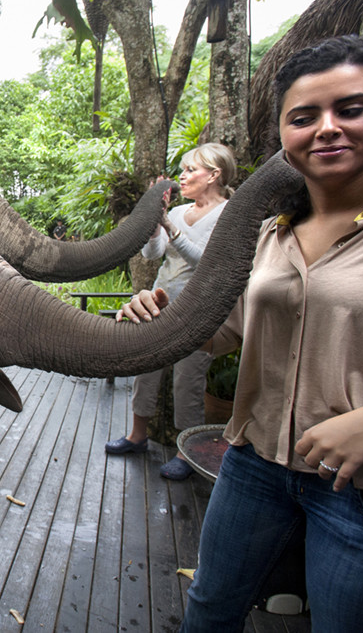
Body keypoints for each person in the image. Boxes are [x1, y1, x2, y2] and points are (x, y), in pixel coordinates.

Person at [121, 35, 363, 632]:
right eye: (304, 118)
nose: (327, 128)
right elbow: (225, 332)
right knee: (209, 609)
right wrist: (163, 314)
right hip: (255, 464)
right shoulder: (271, 234)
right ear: (284, 134)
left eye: (351, 109)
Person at [105, 143, 236, 481]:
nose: (183, 176)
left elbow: (208, 262)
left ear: (214, 175)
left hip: (197, 313)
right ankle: (137, 435)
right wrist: (154, 226)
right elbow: (153, 255)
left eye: (191, 169)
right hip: (160, 304)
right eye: (183, 170)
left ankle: (184, 451)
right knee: (145, 370)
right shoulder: (177, 213)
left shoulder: (228, 214)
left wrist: (169, 226)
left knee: (188, 381)